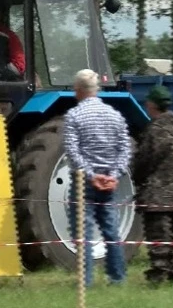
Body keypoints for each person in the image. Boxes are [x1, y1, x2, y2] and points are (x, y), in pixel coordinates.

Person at [63, 69, 131, 287]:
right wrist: (114, 175)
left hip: (85, 183)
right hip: (109, 183)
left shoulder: (74, 115)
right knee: (111, 231)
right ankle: (117, 278)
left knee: (83, 234)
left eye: (75, 88)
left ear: (80, 90)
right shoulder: (115, 115)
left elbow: (72, 151)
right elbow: (125, 149)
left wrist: (91, 176)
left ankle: (86, 281)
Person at [132, 85, 173, 284]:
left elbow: (145, 160)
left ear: (153, 104)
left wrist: (136, 177)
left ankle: (159, 275)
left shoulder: (155, 130)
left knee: (158, 237)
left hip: (157, 195)